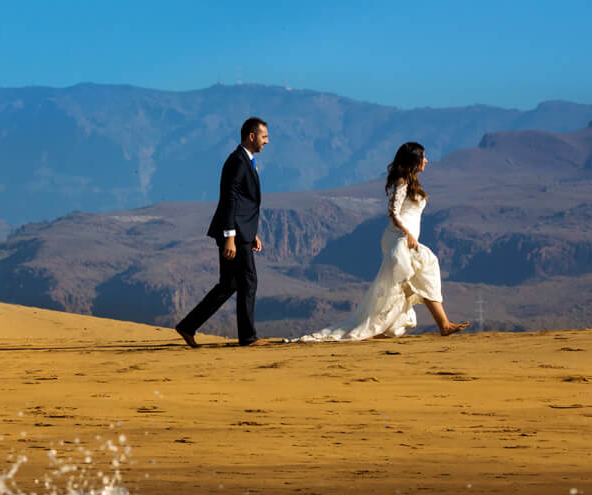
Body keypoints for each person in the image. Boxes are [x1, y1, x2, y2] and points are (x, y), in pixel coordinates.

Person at [293, 142, 469, 343]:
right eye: (423, 157)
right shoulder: (402, 181)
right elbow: (393, 212)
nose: (426, 161)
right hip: (399, 238)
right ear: (414, 160)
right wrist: (407, 234)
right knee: (426, 265)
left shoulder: (412, 182)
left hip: (404, 238)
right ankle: (441, 324)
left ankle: (431, 325)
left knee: (407, 283)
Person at [176, 117, 268, 348]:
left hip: (241, 232)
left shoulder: (247, 160)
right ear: (251, 136)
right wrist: (230, 237)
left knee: (229, 284)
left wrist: (252, 232)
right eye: (264, 136)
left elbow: (244, 204)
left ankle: (187, 326)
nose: (267, 141)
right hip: (234, 235)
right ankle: (247, 337)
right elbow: (230, 201)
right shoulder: (237, 161)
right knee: (248, 281)